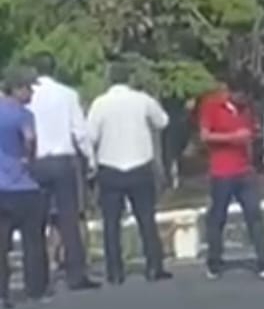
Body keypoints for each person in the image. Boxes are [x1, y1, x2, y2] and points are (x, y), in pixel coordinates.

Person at [87, 61, 171, 284]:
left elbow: (91, 136)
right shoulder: (142, 100)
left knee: (111, 223)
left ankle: (115, 272)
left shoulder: (100, 103)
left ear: (109, 78)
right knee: (146, 218)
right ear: (130, 79)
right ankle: (154, 266)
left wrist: (92, 163)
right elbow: (162, 121)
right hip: (140, 165)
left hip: (110, 167)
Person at [199, 73, 264, 281]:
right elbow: (205, 136)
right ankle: (214, 261)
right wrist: (232, 138)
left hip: (244, 170)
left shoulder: (246, 109)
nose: (243, 100)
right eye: (240, 95)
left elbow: (251, 132)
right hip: (221, 171)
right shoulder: (212, 106)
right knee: (217, 218)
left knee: (254, 215)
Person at [28, 53, 100, 291]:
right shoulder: (68, 94)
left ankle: (39, 277)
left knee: (36, 222)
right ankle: (76, 274)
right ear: (55, 69)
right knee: (69, 219)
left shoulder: (28, 97)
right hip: (63, 161)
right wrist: (90, 159)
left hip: (36, 161)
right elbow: (79, 131)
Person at [0, 67, 48, 308]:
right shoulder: (23, 114)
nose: (31, 93)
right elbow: (29, 138)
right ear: (17, 89)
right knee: (33, 241)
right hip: (23, 187)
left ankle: (2, 293)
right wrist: (28, 158)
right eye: (28, 88)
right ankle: (35, 289)